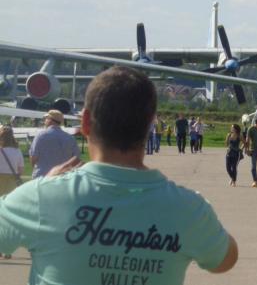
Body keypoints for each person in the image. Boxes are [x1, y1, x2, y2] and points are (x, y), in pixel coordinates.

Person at [0, 66, 238, 284]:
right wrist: (197, 217)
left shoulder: (42, 197)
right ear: (150, 125)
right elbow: (225, 259)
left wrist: (46, 186)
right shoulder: (188, 209)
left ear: (85, 122)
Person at [29, 109, 80, 178]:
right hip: (63, 178)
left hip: (42, 177)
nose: (44, 121)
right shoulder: (70, 138)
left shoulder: (40, 136)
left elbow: (33, 158)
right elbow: (76, 159)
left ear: (50, 120)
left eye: (46, 119)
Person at [0, 125, 23, 260]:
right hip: (12, 182)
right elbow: (20, 170)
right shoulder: (17, 151)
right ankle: (7, 249)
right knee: (8, 217)